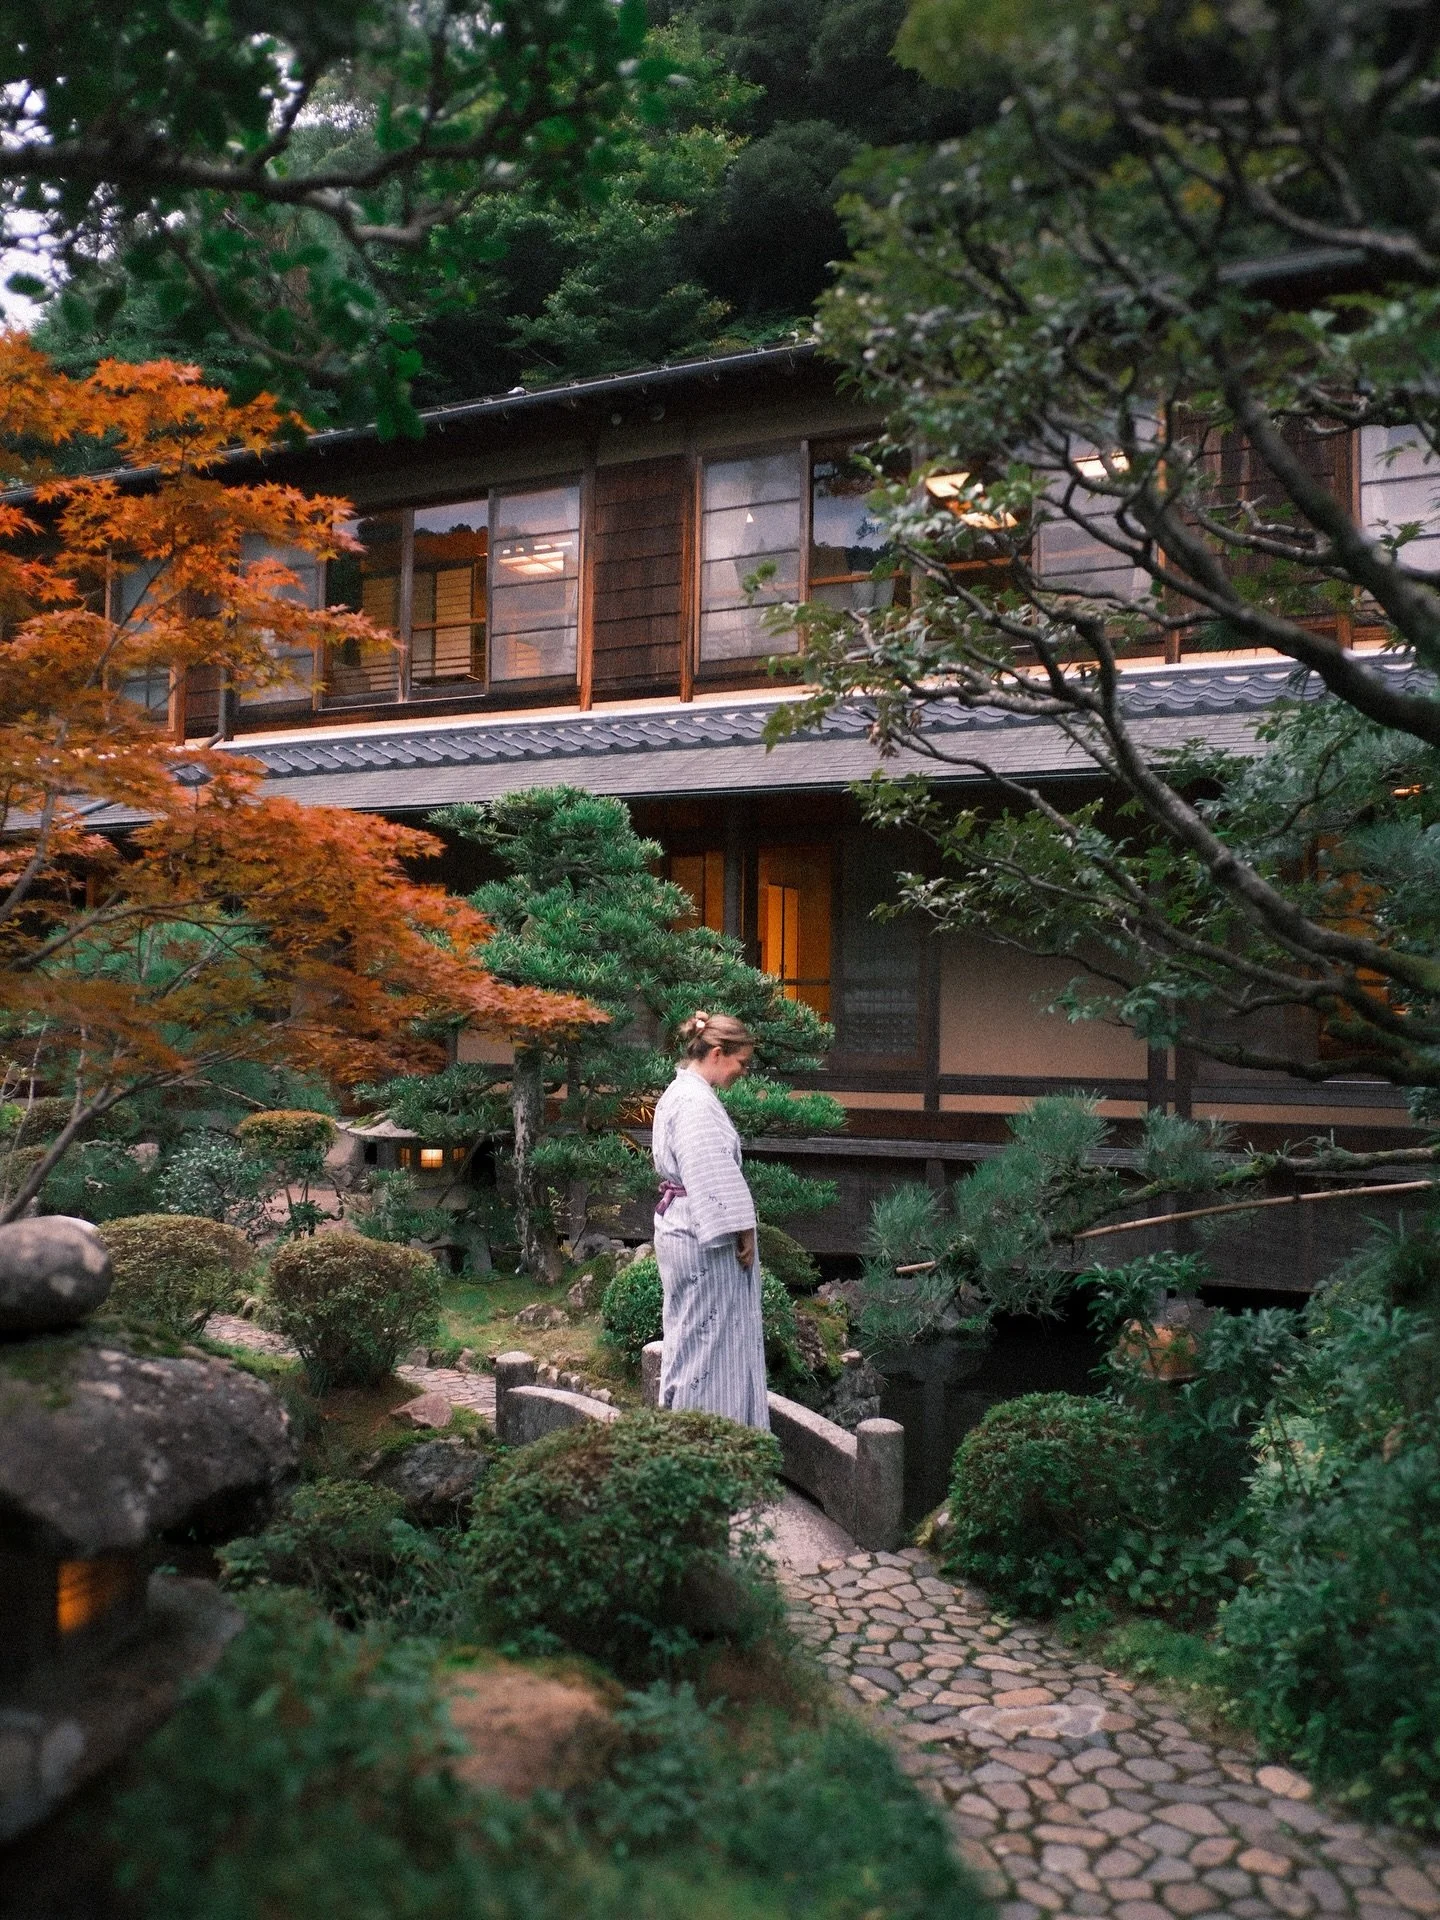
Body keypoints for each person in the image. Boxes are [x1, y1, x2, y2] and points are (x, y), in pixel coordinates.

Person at [650, 1010, 769, 1428]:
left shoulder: (681, 1093)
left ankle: (692, 1436)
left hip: (683, 1226)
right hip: (704, 1237)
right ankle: (706, 1444)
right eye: (741, 1062)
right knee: (710, 1344)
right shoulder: (694, 1103)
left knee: (691, 1336)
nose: (743, 1072)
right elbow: (709, 1171)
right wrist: (744, 1230)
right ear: (718, 1053)